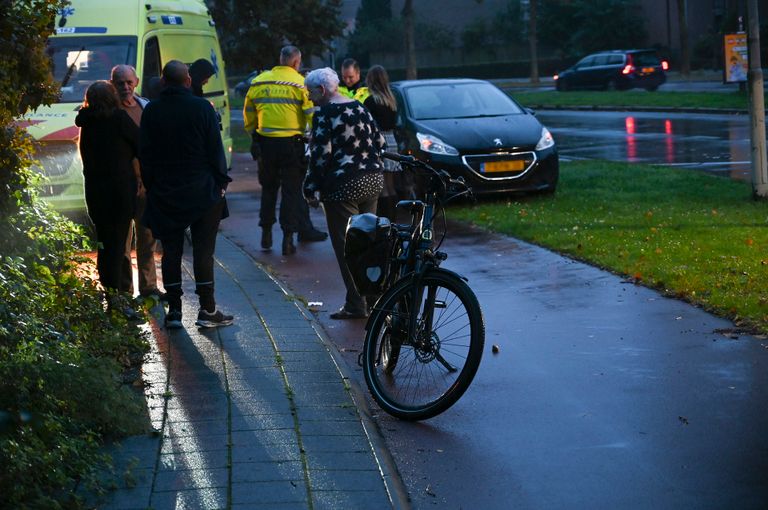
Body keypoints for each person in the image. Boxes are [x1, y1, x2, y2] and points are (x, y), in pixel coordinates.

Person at [139, 60, 233, 329]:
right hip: (202, 191)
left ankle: (175, 311)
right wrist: (220, 183)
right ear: (188, 81)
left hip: (166, 192)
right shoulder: (202, 108)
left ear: (163, 81)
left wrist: (153, 185)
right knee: (203, 251)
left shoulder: (152, 111)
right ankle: (207, 309)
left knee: (171, 252)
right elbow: (215, 149)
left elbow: (145, 154)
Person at [303, 67, 386, 320]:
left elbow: (321, 155)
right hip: (372, 181)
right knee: (368, 242)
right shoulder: (360, 107)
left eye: (310, 92)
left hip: (342, 187)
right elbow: (381, 142)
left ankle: (355, 304)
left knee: (346, 246)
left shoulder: (325, 113)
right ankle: (375, 299)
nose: (308, 97)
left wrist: (310, 187)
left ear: (323, 90)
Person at [243, 45, 327, 255]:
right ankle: (288, 239)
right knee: (291, 192)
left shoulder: (259, 81)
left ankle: (266, 233)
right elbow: (310, 115)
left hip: (266, 144)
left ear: (281, 59)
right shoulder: (300, 84)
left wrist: (254, 136)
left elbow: (249, 114)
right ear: (296, 62)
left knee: (269, 189)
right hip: (292, 145)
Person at [75, 81, 139, 313]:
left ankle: (111, 293)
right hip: (120, 192)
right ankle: (118, 300)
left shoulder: (86, 123)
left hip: (95, 192)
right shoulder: (119, 120)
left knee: (104, 243)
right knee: (118, 244)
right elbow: (141, 143)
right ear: (112, 97)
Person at [110, 64, 165, 301]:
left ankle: (149, 286)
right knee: (121, 240)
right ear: (112, 83)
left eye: (128, 82)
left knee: (147, 237)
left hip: (147, 184)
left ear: (137, 82)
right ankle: (124, 290)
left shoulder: (147, 109)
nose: (125, 87)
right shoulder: (109, 112)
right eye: (120, 82)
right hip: (121, 187)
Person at [363, 64, 411, 221]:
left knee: (382, 186)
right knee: (390, 184)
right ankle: (393, 219)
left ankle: (385, 221)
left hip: (378, 142)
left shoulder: (370, 101)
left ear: (371, 80)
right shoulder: (391, 100)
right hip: (391, 140)